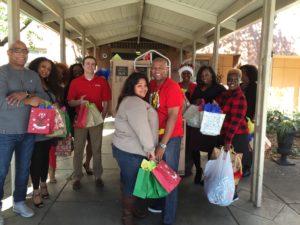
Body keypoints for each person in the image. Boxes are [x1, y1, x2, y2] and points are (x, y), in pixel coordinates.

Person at [0, 40, 44, 223]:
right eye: (18, 51)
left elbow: (42, 97)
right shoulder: (2, 72)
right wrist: (27, 100)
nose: (23, 54)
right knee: (1, 172)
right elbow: (1, 103)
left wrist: (25, 93)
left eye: (25, 51)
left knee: (23, 169)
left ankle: (18, 202)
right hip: (5, 131)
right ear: (9, 53)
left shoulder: (32, 74)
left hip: (29, 131)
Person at [112, 72, 157, 225]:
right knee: (131, 184)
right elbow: (142, 128)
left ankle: (130, 210)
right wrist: (151, 150)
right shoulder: (134, 102)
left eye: (145, 86)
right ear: (132, 87)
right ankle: (127, 216)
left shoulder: (129, 100)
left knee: (127, 181)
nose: (144, 89)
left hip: (125, 150)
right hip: (132, 153)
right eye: (139, 86)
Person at [67, 56, 111, 190]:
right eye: (87, 64)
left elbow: (107, 101)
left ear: (95, 66)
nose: (90, 66)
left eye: (93, 64)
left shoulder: (102, 82)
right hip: (80, 120)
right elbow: (70, 101)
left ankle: (98, 176)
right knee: (79, 149)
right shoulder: (75, 82)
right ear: (83, 65)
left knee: (96, 149)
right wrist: (79, 102)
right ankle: (77, 177)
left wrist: (102, 117)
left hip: (96, 120)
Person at [149, 57, 184, 225]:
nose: (156, 70)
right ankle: (159, 203)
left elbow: (172, 116)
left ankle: (168, 218)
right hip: (157, 135)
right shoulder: (153, 85)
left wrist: (163, 144)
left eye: (160, 68)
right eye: (153, 67)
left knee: (169, 175)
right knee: (158, 171)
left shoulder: (173, 87)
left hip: (170, 138)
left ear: (167, 70)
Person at [28, 57, 63, 208]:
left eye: (48, 69)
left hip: (48, 130)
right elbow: (30, 101)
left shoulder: (48, 84)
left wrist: (55, 105)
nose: (45, 71)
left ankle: (44, 184)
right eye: (43, 67)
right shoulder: (29, 82)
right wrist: (46, 103)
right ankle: (35, 191)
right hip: (36, 129)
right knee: (36, 160)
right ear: (36, 66)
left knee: (45, 159)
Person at [188, 65, 226, 184]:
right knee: (194, 147)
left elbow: (225, 102)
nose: (204, 77)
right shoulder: (198, 87)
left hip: (211, 123)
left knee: (211, 148)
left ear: (212, 76)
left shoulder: (219, 88)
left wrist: (216, 103)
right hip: (197, 123)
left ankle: (208, 174)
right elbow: (191, 101)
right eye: (202, 75)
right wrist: (196, 101)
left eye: (207, 75)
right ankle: (198, 170)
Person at [215, 68, 249, 201]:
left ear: (240, 81)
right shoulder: (226, 94)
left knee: (233, 165)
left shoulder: (240, 97)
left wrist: (228, 141)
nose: (232, 81)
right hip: (226, 133)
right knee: (224, 164)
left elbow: (235, 122)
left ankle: (232, 194)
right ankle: (225, 190)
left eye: (235, 79)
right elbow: (217, 103)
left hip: (237, 136)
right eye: (230, 79)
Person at [68, 63, 93, 175]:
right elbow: (67, 103)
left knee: (92, 143)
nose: (77, 72)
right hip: (76, 118)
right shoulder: (71, 84)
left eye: (79, 70)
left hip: (92, 118)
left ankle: (87, 163)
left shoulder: (90, 81)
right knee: (79, 146)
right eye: (75, 71)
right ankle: (77, 171)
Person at [177, 64, 196, 177]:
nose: (186, 75)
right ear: (181, 74)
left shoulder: (194, 86)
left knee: (190, 143)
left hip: (191, 118)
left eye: (188, 73)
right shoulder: (176, 85)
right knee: (180, 142)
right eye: (184, 73)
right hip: (179, 118)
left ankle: (188, 167)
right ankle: (179, 165)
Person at [240, 64, 258, 177]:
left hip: (249, 120)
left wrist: (255, 118)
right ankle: (239, 165)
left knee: (248, 145)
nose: (241, 75)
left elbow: (256, 104)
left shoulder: (255, 87)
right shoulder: (240, 85)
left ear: (248, 74)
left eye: (243, 73)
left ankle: (247, 167)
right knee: (239, 144)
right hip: (238, 119)